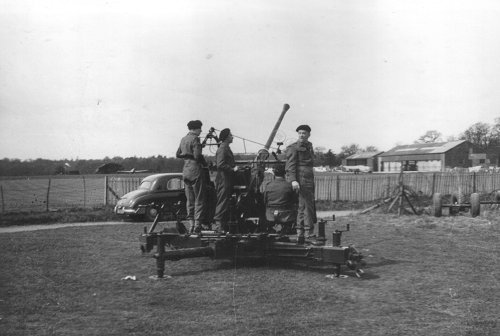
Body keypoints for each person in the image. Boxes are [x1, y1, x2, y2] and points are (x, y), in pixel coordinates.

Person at [285, 124, 317, 244]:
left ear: (309, 134)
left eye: (304, 133)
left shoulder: (309, 146)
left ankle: (301, 234)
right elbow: (290, 166)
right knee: (306, 206)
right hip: (301, 179)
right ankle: (309, 234)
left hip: (308, 178)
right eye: (300, 133)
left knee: (303, 206)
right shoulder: (293, 147)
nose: (302, 135)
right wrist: (293, 180)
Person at [176, 120, 207, 233]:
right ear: (195, 129)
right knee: (199, 198)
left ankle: (191, 225)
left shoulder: (183, 139)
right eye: (200, 128)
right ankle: (198, 224)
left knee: (189, 199)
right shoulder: (195, 138)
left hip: (186, 170)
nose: (201, 131)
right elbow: (198, 156)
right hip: (195, 170)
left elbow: (178, 154)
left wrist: (187, 155)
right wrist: (205, 163)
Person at [213, 128, 237, 232]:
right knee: (222, 202)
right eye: (231, 135)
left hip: (226, 178)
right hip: (223, 179)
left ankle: (222, 225)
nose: (232, 137)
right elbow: (220, 164)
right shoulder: (223, 148)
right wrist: (232, 169)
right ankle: (219, 226)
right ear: (227, 137)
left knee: (224, 201)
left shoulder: (226, 147)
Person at [263, 164, 297, 234]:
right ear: (284, 173)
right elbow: (294, 200)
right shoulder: (289, 186)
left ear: (274, 174)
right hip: (286, 215)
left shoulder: (268, 186)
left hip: (270, 215)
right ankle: (288, 229)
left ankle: (270, 230)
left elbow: (264, 201)